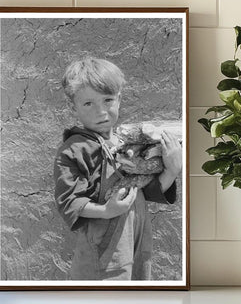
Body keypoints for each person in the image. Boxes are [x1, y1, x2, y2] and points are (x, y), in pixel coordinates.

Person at [53, 57, 182, 280]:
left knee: (136, 296)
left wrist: (171, 170)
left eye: (108, 100)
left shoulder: (129, 144)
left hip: (138, 239)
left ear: (119, 100)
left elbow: (145, 189)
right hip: (103, 249)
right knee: (105, 303)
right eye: (88, 103)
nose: (101, 111)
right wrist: (106, 211)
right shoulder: (73, 150)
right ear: (72, 105)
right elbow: (69, 201)